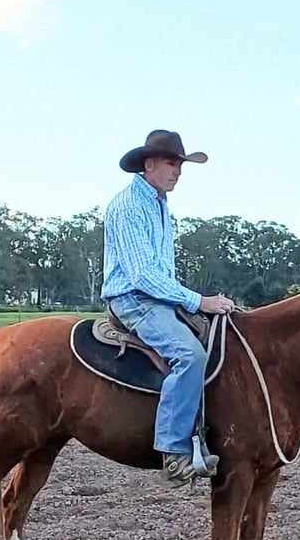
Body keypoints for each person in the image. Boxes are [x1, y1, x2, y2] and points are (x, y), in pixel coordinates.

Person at [101, 129, 237, 484]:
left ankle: (204, 434)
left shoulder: (160, 204)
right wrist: (199, 301)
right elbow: (143, 275)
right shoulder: (129, 206)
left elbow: (162, 274)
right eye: (171, 163)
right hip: (133, 300)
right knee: (189, 355)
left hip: (157, 299)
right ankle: (174, 451)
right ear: (149, 165)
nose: (178, 172)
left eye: (180, 165)